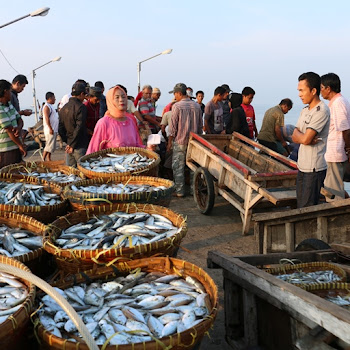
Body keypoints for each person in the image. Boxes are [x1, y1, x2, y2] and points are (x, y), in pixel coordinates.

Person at [292, 72, 330, 208]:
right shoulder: (305, 110)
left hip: (314, 167)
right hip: (302, 165)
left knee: (307, 207)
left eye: (302, 90)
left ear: (313, 91)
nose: (299, 94)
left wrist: (303, 137)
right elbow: (294, 134)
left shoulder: (321, 111)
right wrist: (302, 137)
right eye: (299, 91)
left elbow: (306, 139)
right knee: (300, 204)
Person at [86, 85, 144, 154]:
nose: (121, 100)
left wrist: (149, 148)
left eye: (123, 97)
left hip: (131, 164)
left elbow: (137, 147)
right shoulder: (104, 123)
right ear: (110, 101)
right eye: (117, 97)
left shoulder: (131, 121)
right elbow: (93, 150)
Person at [167, 83, 202, 197]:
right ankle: (193, 190)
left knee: (178, 167)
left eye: (175, 94)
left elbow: (173, 128)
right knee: (193, 167)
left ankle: (179, 191)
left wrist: (169, 143)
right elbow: (200, 126)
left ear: (179, 93)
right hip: (194, 142)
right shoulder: (197, 106)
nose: (174, 96)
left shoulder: (177, 106)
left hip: (180, 141)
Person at [321, 73, 350, 200]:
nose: (320, 91)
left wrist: (349, 150)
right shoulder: (336, 102)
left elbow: (346, 130)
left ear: (328, 88)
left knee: (333, 189)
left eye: (321, 87)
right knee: (334, 186)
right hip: (333, 152)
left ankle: (337, 216)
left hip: (336, 152)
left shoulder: (338, 103)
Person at [58, 82, 89, 167]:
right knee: (83, 171)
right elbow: (79, 127)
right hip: (79, 144)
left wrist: (68, 143)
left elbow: (60, 129)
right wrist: (72, 144)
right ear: (82, 94)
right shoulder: (81, 107)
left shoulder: (64, 108)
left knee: (71, 173)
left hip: (69, 144)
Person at [0, 80, 27, 167]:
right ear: (5, 92)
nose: (11, 94)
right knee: (8, 174)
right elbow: (9, 130)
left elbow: (19, 119)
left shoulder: (9, 105)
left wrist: (19, 128)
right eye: (9, 91)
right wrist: (20, 145)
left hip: (15, 146)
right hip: (6, 149)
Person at [42, 92, 59, 161]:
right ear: (50, 98)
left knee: (51, 146)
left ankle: (49, 158)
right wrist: (50, 128)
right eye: (54, 98)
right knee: (48, 145)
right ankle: (43, 159)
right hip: (50, 130)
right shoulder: (46, 107)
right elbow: (46, 118)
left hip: (54, 129)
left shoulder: (51, 106)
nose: (55, 99)